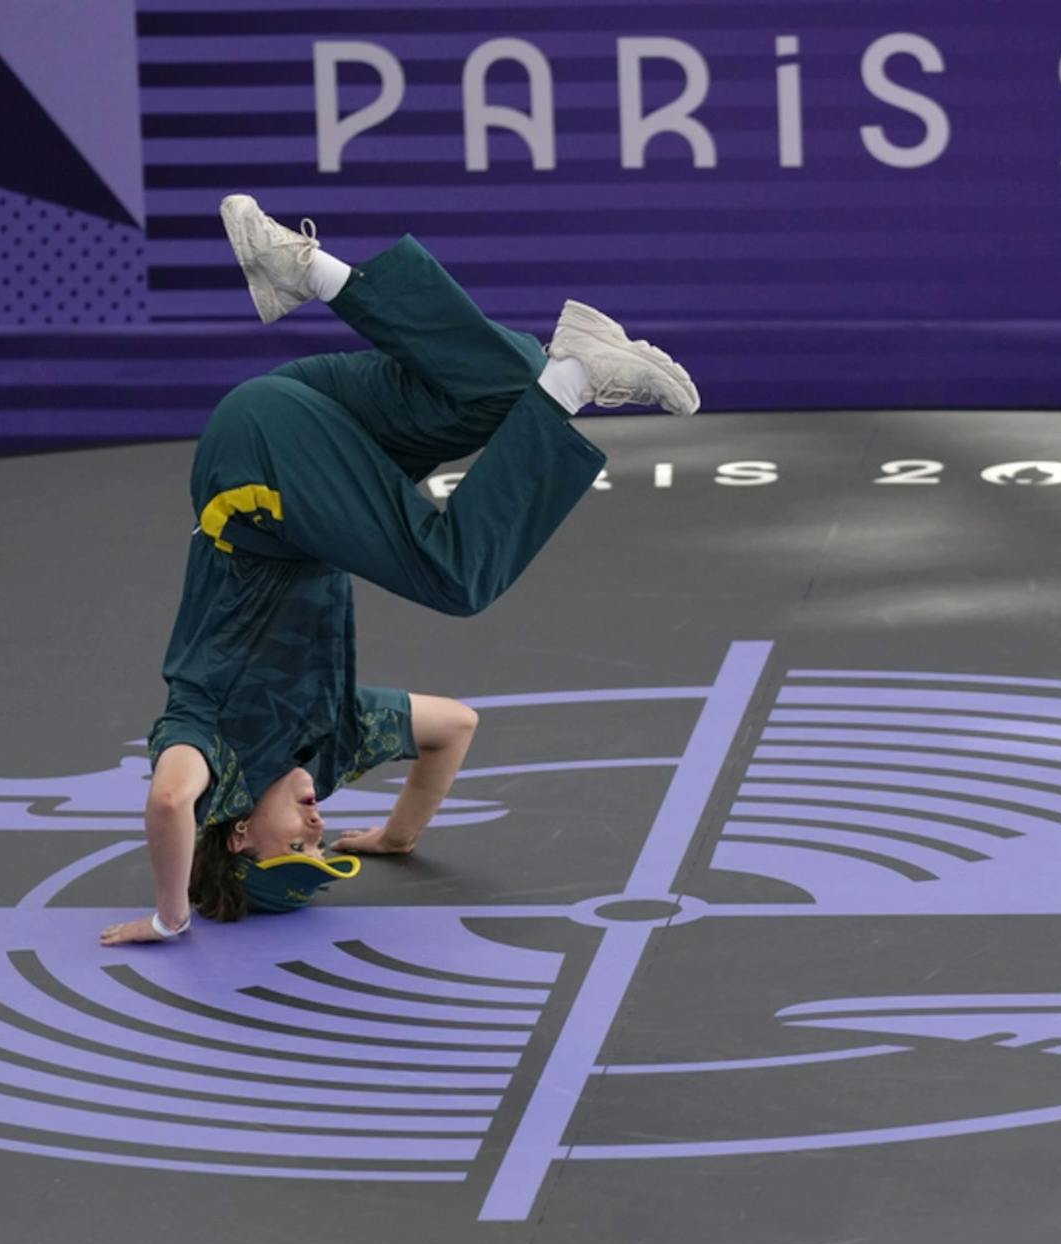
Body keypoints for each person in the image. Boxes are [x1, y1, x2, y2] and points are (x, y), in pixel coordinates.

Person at [100, 195, 698, 945]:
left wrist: (170, 913)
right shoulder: (335, 738)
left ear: (237, 837)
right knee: (506, 388)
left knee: (456, 577)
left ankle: (578, 383)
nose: (318, 826)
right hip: (297, 434)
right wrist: (397, 835)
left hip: (255, 483)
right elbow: (454, 726)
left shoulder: (211, 751)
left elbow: (166, 804)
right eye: (323, 844)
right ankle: (306, 270)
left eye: (298, 842)